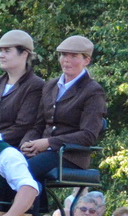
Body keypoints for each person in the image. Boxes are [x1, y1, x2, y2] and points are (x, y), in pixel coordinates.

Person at [21, 35, 107, 183]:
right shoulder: (50, 86)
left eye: (73, 56)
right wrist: (27, 143)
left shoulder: (93, 91)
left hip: (69, 155)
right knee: (8, 166)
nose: (66, 60)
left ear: (86, 61)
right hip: (43, 152)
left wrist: (49, 143)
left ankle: (27, 200)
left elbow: (88, 135)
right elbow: (39, 125)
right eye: (63, 55)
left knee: (23, 172)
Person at [0, 30, 46, 148]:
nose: (1, 55)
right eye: (0, 51)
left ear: (24, 54)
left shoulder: (35, 86)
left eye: (7, 51)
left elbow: (23, 127)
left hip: (8, 148)